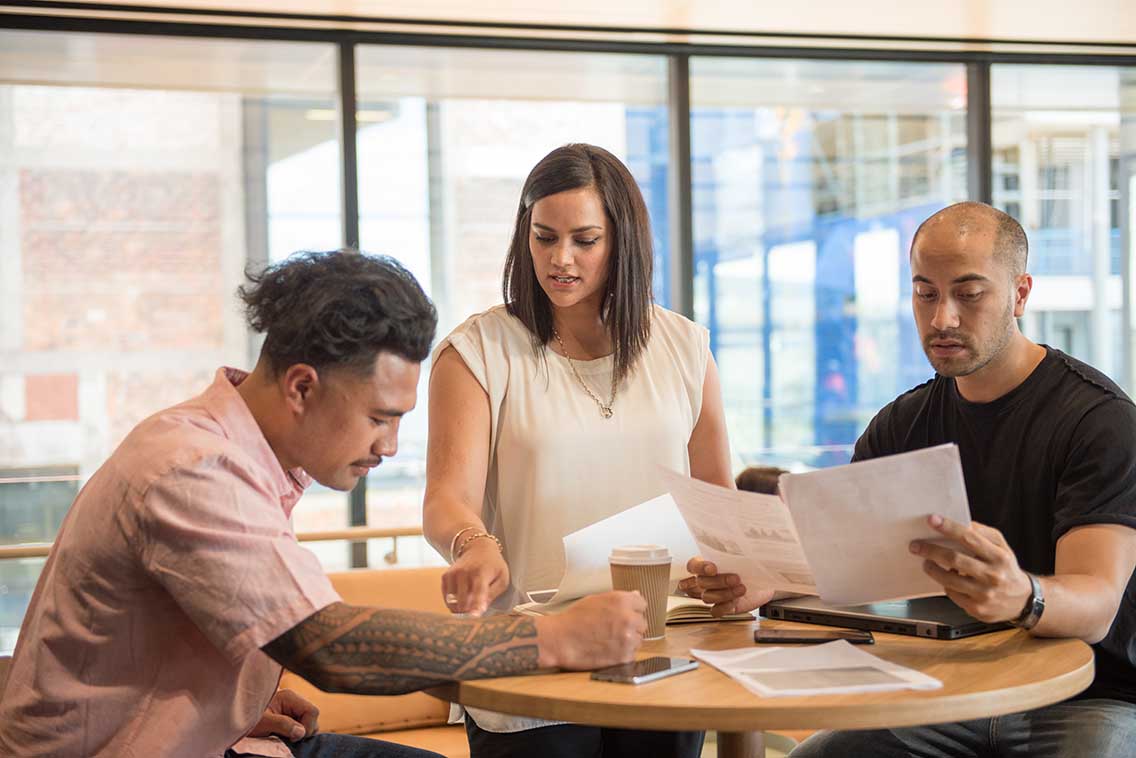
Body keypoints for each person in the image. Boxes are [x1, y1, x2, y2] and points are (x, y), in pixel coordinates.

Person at [0, 250, 648, 758]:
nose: (390, 447)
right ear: (303, 387)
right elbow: (333, 649)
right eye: (379, 417)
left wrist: (231, 702)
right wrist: (553, 636)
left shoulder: (240, 457)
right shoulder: (191, 470)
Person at [691, 202, 1136, 757]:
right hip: (946, 691)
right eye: (925, 293)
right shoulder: (900, 425)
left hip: (1088, 695)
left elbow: (1097, 604)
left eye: (969, 294)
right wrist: (766, 582)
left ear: (1020, 293)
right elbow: (847, 563)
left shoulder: (1098, 420)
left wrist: (1023, 594)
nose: (942, 318)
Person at [422, 144, 734, 758]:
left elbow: (717, 502)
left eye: (584, 240)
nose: (560, 259)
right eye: (544, 237)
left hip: (661, 651)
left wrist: (734, 571)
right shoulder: (480, 351)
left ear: (624, 243)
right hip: (532, 657)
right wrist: (473, 544)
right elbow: (445, 499)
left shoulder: (684, 346)